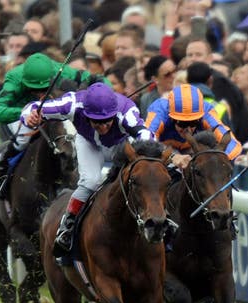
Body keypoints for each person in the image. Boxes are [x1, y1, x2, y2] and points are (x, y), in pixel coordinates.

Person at [20, 82, 154, 255]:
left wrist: (143, 153)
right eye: (97, 122)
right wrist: (30, 117)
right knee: (90, 181)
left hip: (119, 145)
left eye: (108, 121)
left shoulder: (126, 111)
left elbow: (146, 134)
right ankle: (67, 225)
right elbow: (33, 107)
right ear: (85, 113)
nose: (104, 127)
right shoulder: (72, 104)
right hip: (88, 142)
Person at [0, 52, 106, 193]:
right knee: (23, 138)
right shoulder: (14, 78)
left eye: (44, 89)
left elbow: (98, 80)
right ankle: (1, 167)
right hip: (25, 116)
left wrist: (102, 93)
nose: (40, 94)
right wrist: (26, 113)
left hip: (55, 110)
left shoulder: (62, 71)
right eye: (35, 90)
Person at [144, 83, 242, 165]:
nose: (188, 130)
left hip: (194, 155)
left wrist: (219, 158)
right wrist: (171, 157)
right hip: (163, 156)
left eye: (193, 122)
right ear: (171, 117)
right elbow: (146, 141)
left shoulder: (206, 111)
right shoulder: (159, 111)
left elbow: (229, 140)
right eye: (182, 123)